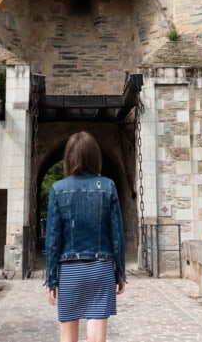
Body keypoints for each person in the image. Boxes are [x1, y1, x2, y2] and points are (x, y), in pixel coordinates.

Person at [45, 131, 127, 342]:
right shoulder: (108, 186)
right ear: (95, 156)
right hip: (101, 269)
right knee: (97, 338)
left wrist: (51, 279)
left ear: (69, 157)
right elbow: (117, 234)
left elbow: (53, 238)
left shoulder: (58, 189)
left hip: (70, 272)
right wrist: (120, 273)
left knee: (67, 337)